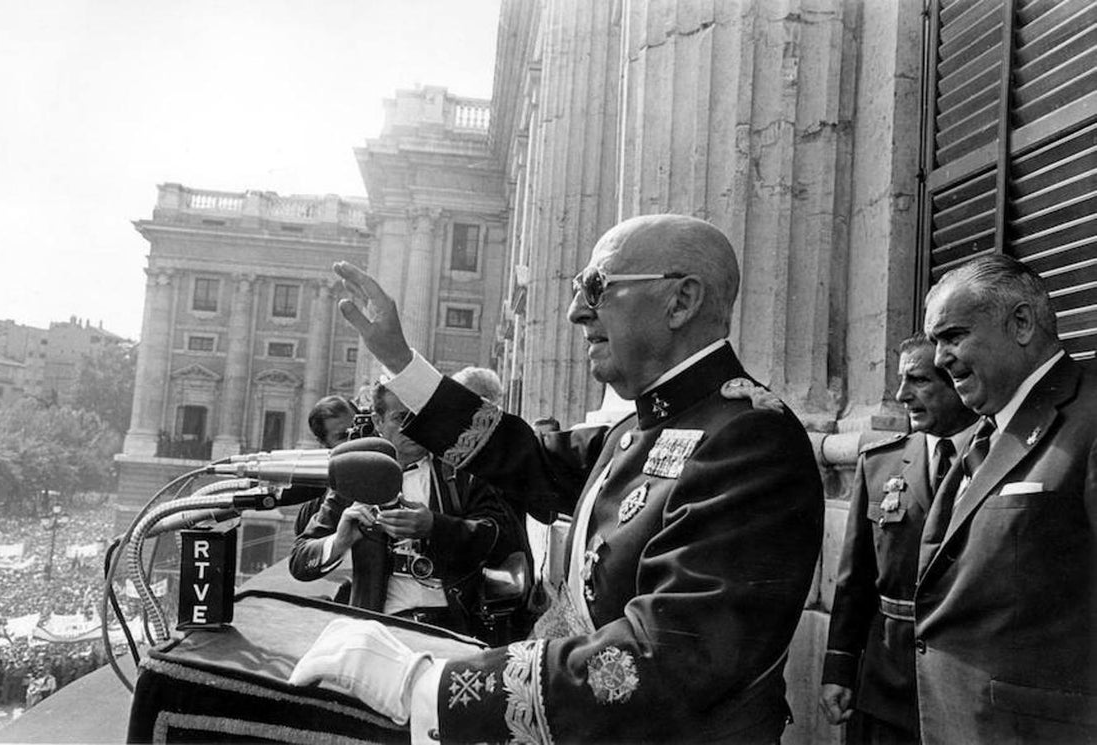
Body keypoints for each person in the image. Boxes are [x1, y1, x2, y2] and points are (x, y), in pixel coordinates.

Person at [288, 214, 824, 742]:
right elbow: (526, 459)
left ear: (680, 301)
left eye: (596, 287)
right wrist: (402, 363)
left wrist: (433, 685)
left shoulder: (750, 440)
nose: (574, 311)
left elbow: (669, 655)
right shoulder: (642, 426)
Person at [916, 254, 1097, 743]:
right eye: (935, 343)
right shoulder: (985, 433)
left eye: (952, 336)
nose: (938, 360)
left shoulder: (1090, 418)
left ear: (1020, 323)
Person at [820, 333, 977, 743]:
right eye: (900, 380)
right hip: (885, 679)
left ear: (959, 384)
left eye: (919, 381)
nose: (901, 395)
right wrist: (839, 668)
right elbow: (854, 580)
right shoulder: (880, 464)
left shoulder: (998, 458)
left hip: (966, 681)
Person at [289, 382, 532, 645]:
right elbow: (300, 561)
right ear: (378, 421)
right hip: (381, 629)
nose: (413, 427)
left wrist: (435, 526)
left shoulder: (459, 471)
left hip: (457, 626)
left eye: (420, 416)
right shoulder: (357, 472)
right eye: (401, 418)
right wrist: (339, 541)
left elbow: (501, 539)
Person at [293, 395, 360, 536]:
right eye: (343, 436)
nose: (355, 440)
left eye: (358, 430)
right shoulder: (313, 512)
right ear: (324, 443)